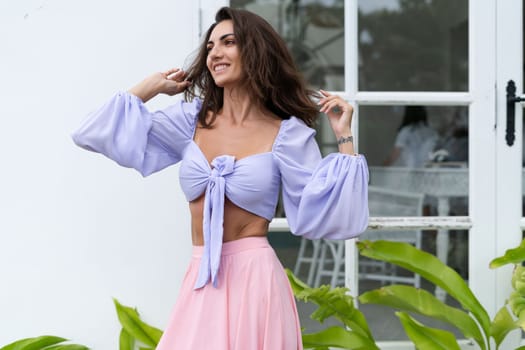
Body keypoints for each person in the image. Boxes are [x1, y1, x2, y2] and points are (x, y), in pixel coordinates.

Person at [72, 7, 368, 350]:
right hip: (201, 276)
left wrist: (343, 135)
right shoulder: (190, 120)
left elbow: (333, 213)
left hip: (256, 280)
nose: (214, 53)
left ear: (255, 52)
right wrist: (149, 87)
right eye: (210, 46)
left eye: (228, 42)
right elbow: (90, 134)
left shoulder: (288, 135)